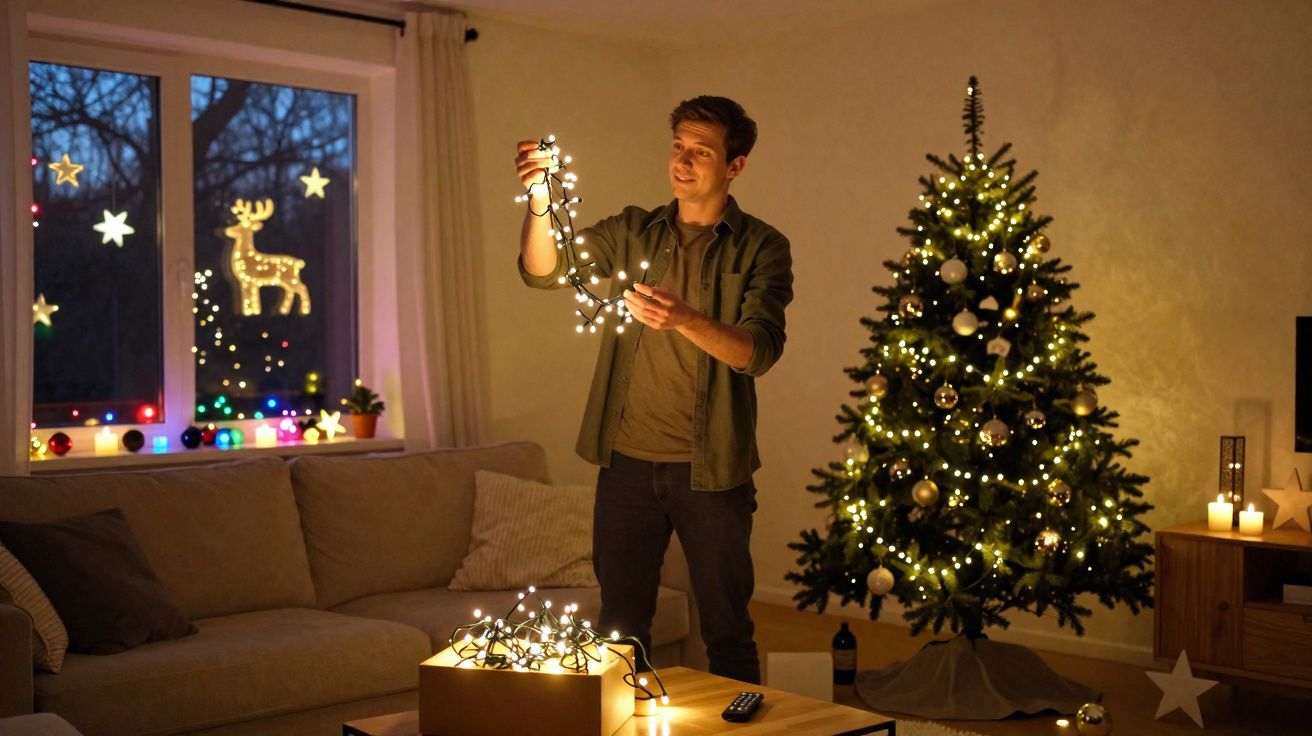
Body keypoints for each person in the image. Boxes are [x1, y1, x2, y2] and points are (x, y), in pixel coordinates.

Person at [515, 96, 792, 684]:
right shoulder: (633, 232)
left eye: (702, 152)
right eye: (677, 147)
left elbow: (758, 351)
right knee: (619, 630)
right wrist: (540, 200)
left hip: (712, 470)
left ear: (734, 166)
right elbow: (544, 270)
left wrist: (684, 320)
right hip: (626, 467)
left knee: (726, 627)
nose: (683, 162)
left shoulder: (763, 247)